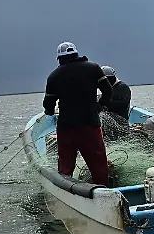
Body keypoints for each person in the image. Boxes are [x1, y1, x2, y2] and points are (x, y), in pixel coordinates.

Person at [43, 42, 116, 185]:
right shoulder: (93, 68)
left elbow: (48, 104)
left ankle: (66, 191)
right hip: (90, 125)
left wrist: (49, 111)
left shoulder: (54, 76)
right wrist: (99, 105)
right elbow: (108, 91)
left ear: (60, 58)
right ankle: (103, 190)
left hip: (66, 128)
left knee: (65, 166)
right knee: (98, 165)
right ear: (76, 54)